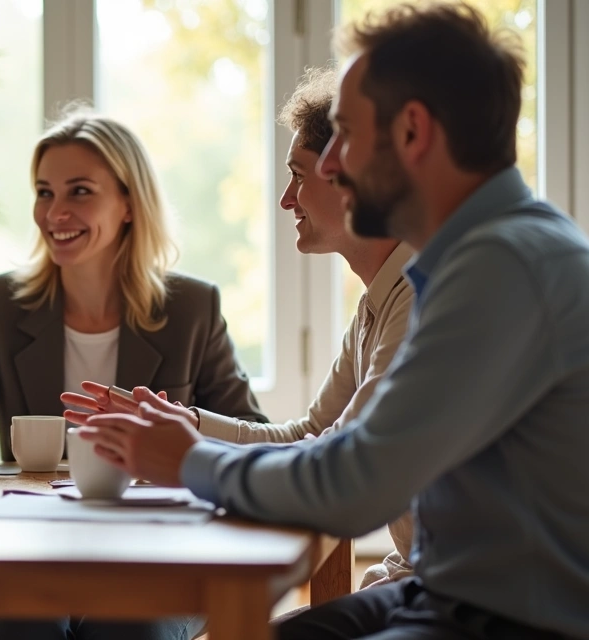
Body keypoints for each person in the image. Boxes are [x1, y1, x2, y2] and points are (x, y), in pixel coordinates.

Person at [80, 3, 589, 639]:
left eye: (344, 134)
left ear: (412, 132)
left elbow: (356, 485)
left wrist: (190, 461)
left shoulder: (501, 266)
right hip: (447, 590)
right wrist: (188, 439)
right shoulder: (479, 256)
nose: (327, 166)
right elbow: (335, 446)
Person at [0, 111, 265, 640]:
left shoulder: (193, 307)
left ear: (129, 204)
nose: (55, 212)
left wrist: (181, 434)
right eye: (43, 192)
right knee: (13, 626)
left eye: (79, 192)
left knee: (126, 627)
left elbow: (249, 433)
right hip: (26, 553)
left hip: (158, 558)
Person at [65, 66, 415, 590]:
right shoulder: (376, 305)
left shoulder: (417, 299)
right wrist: (188, 422)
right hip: (416, 581)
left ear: (350, 177)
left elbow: (338, 465)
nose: (286, 199)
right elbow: (308, 436)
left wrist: (189, 457)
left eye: (298, 175)